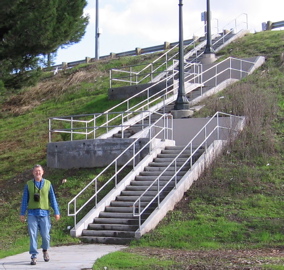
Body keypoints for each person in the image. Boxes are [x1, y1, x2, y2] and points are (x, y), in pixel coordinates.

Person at [20, 164, 60, 265]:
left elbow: (52, 199)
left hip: (44, 213)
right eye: (36, 171)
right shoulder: (29, 184)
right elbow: (25, 199)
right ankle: (34, 256)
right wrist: (22, 213)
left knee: (45, 235)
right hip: (32, 213)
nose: (38, 173)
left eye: (39, 171)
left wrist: (56, 211)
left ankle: (45, 250)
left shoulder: (48, 183)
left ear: (42, 172)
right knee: (33, 235)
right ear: (33, 173)